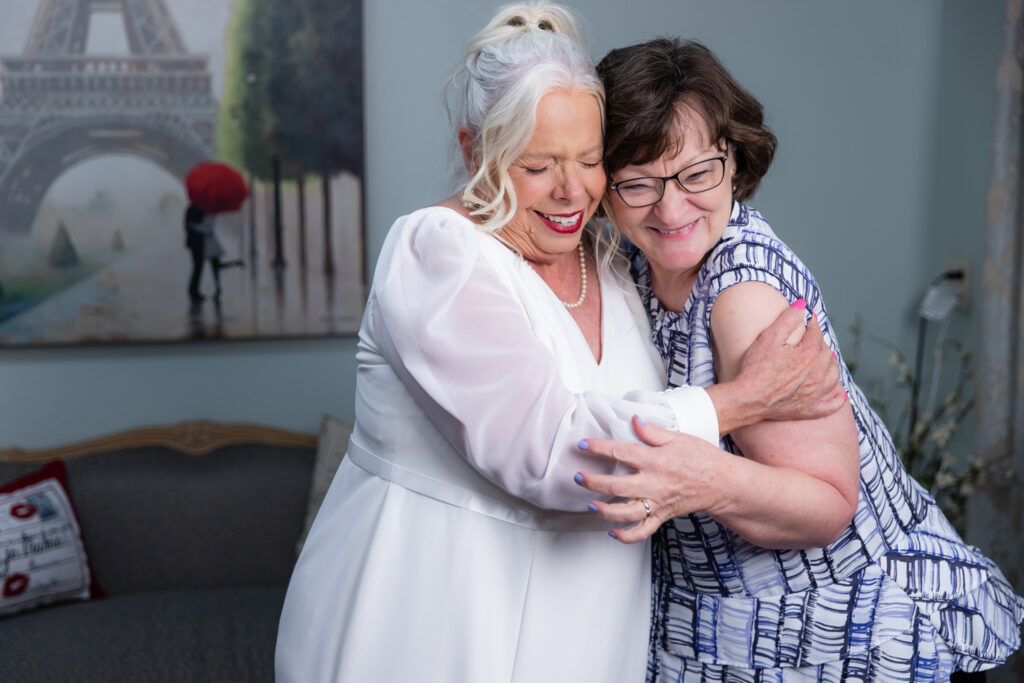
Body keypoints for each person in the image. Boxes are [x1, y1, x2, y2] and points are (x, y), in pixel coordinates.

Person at [275, 6, 846, 682]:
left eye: (589, 160)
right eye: (538, 164)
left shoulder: (610, 259)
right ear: (473, 152)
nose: (572, 190)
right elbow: (549, 449)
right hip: (430, 629)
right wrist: (740, 400)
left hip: (587, 639)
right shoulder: (436, 252)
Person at [574, 38, 1024, 682]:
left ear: (734, 157)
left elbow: (827, 504)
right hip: (734, 632)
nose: (672, 209)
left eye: (699, 173)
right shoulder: (631, 267)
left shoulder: (743, 298)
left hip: (854, 639)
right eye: (639, 183)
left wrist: (699, 480)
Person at [183, 202, 242, 301]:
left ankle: (214, 289)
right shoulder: (194, 209)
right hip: (198, 242)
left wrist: (198, 226)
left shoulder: (208, 210)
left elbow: (208, 226)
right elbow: (188, 226)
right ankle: (195, 291)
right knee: (199, 267)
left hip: (208, 241)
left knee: (212, 266)